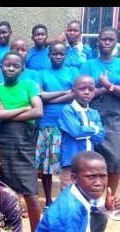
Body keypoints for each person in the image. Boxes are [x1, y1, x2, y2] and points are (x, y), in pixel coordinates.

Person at [0, 51, 43, 232]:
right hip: (1, 142)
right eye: (7, 65)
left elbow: (38, 111)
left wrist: (7, 112)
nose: (10, 68)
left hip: (23, 144)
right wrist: (23, 109)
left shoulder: (29, 85)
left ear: (22, 69)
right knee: (0, 192)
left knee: (31, 195)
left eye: (15, 65)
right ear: (1, 67)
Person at [36, 41, 79, 211]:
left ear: (66, 55)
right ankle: (48, 201)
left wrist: (49, 97)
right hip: (47, 124)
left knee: (69, 165)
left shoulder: (73, 71)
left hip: (69, 126)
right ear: (49, 55)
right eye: (55, 53)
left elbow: (75, 94)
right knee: (47, 167)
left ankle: (67, 199)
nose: (58, 56)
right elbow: (40, 96)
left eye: (61, 53)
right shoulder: (42, 73)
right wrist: (65, 93)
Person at [80, 26, 120, 196]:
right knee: (90, 159)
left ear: (116, 43)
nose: (107, 42)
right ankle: (91, 199)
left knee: (115, 159)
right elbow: (81, 91)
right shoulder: (88, 65)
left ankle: (109, 200)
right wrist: (107, 89)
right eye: (104, 39)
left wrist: (107, 85)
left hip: (115, 118)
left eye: (111, 39)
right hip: (92, 117)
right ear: (98, 41)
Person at [58, 75, 105, 189]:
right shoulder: (68, 110)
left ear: (94, 92)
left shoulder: (94, 113)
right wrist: (94, 129)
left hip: (89, 162)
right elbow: (76, 132)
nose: (87, 92)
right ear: (73, 91)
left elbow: (100, 137)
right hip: (71, 162)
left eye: (91, 89)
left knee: (87, 192)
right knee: (69, 193)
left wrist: (86, 131)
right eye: (82, 88)